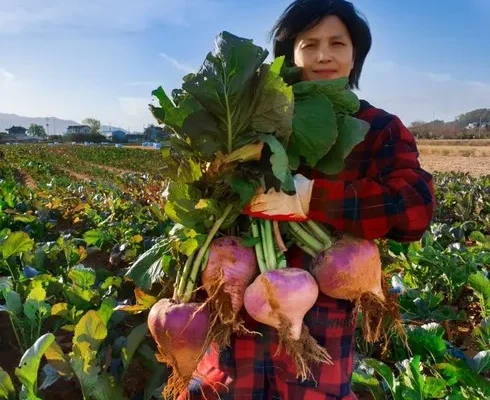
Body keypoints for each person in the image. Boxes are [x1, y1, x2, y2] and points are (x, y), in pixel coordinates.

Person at [180, 1, 436, 399]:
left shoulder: (378, 128)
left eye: (337, 43)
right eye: (309, 43)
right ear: (290, 54)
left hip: (324, 320)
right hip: (238, 311)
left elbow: (414, 210)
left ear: (356, 54)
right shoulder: (254, 123)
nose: (323, 55)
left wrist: (312, 199)